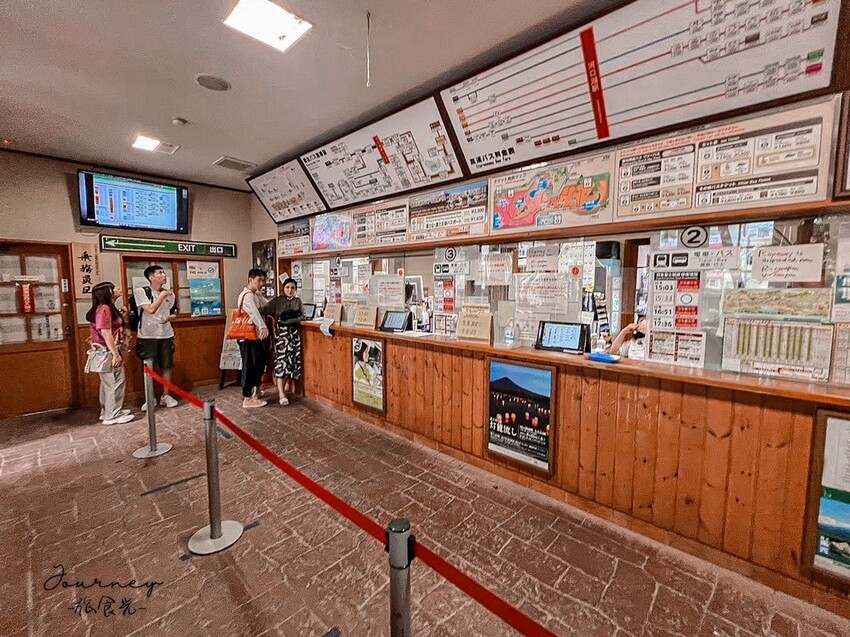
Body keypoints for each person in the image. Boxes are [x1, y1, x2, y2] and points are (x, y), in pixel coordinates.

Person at [87, 282, 134, 425]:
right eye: (115, 288)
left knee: (107, 383)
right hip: (106, 350)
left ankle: (107, 410)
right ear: (108, 292)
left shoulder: (107, 308)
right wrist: (116, 354)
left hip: (104, 349)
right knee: (115, 382)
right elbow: (106, 333)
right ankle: (112, 414)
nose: (119, 289)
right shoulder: (104, 309)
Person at [135, 265, 178, 409]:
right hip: (147, 336)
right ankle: (150, 397)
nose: (164, 275)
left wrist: (169, 317)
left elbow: (174, 312)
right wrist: (161, 296)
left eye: (164, 273)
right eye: (160, 273)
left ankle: (165, 395)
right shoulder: (141, 291)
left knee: (167, 366)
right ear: (151, 277)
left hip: (166, 334)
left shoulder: (170, 294)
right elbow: (150, 309)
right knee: (149, 367)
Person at [261, 278, 304, 406]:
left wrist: (292, 319)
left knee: (290, 364)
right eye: (287, 287)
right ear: (283, 288)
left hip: (294, 336)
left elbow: (303, 315)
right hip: (281, 336)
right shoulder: (277, 301)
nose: (290, 290)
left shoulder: (298, 301)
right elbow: (263, 310)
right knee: (281, 363)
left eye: (292, 288)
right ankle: (281, 393)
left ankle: (282, 390)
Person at [237, 268, 270, 408]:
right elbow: (254, 313)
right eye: (259, 280)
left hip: (256, 336)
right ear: (251, 279)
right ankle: (247, 397)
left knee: (258, 364)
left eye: (263, 280)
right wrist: (263, 326)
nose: (261, 283)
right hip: (248, 337)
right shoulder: (247, 295)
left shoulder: (255, 294)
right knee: (249, 365)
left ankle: (256, 391)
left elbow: (267, 305)